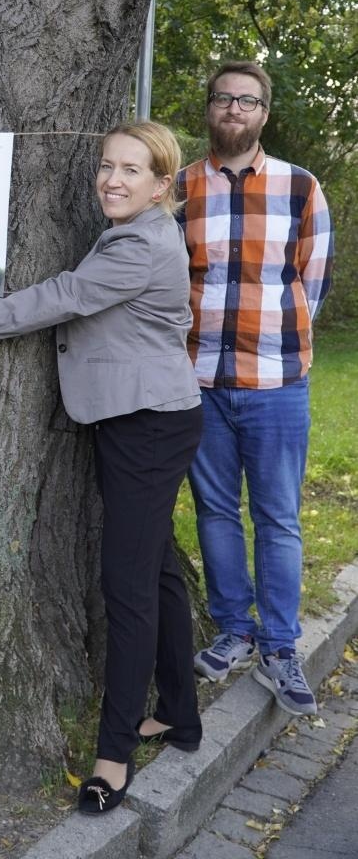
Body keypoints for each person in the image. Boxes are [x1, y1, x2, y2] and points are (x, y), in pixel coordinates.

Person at [0, 121, 203, 815]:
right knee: (155, 570)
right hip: (144, 419)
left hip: (147, 426)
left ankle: (114, 755)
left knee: (127, 587)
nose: (113, 180)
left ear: (163, 185)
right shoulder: (140, 232)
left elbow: (66, 295)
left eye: (133, 170)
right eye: (106, 166)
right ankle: (180, 714)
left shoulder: (140, 241)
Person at [177, 61, 333, 715]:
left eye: (247, 100)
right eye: (223, 98)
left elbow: (311, 283)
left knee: (276, 516)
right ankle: (235, 630)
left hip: (275, 384)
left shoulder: (301, 188)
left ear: (265, 113)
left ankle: (278, 644)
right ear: (209, 109)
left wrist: (278, 346)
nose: (234, 109)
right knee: (215, 512)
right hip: (198, 381)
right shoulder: (178, 186)